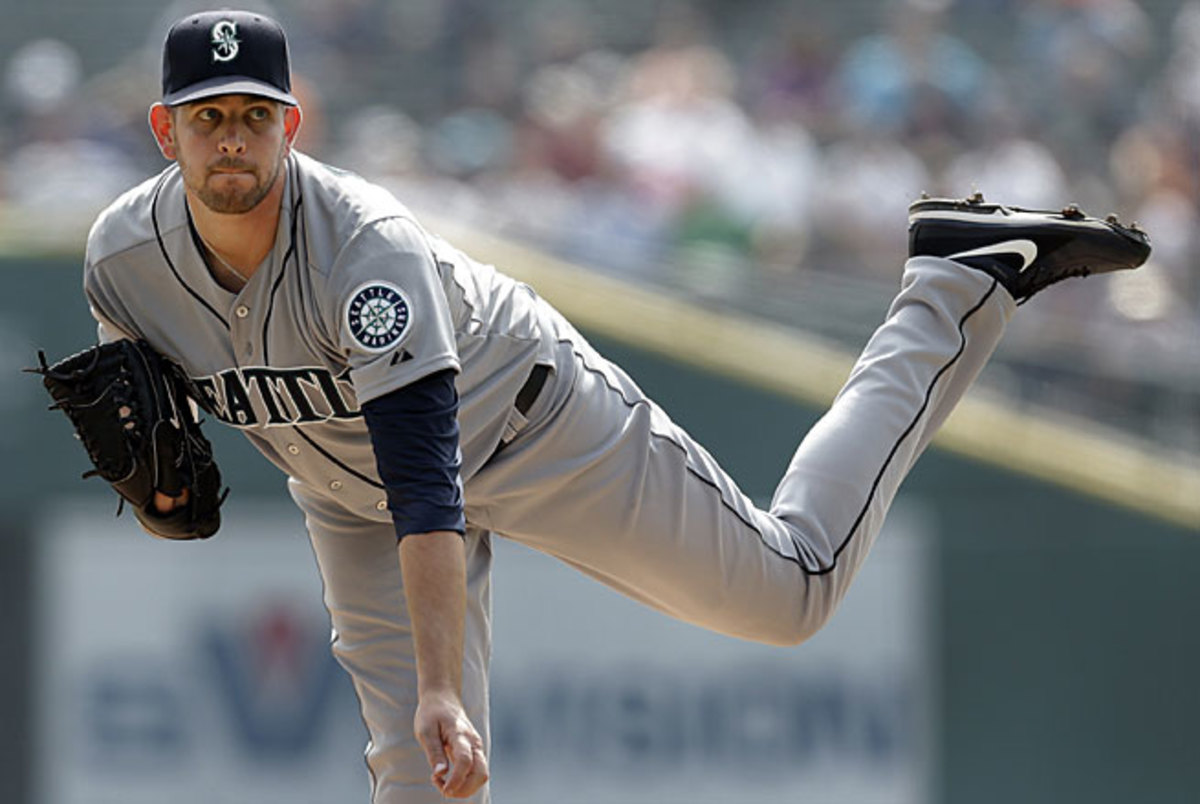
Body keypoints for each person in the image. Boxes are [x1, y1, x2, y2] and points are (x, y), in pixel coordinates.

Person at [79, 9, 1150, 804]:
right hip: (349, 496)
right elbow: (150, 417)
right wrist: (159, 491)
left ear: (291, 125)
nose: (232, 140)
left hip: (533, 426)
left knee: (791, 594)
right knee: (421, 783)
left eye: (253, 118)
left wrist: (443, 685)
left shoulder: (364, 248)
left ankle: (955, 281)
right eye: (208, 117)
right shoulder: (122, 263)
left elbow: (424, 481)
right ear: (164, 130)